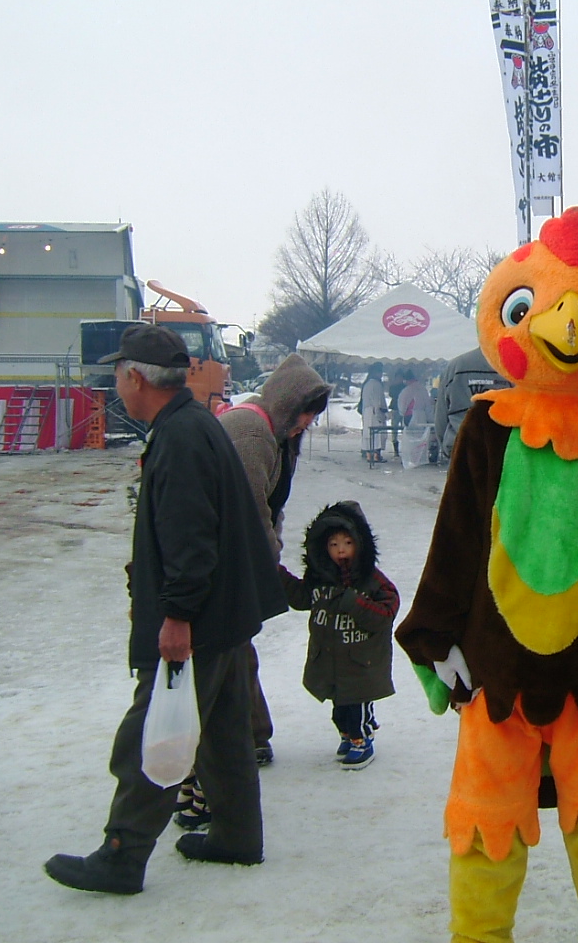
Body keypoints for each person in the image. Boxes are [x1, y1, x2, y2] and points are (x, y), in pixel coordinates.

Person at [44, 324, 287, 895]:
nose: (116, 384)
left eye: (117, 374)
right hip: (226, 616)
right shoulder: (195, 423)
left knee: (152, 730)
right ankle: (236, 835)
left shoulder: (179, 436)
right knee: (225, 731)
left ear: (134, 377)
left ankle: (122, 855)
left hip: (198, 620)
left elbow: (190, 538)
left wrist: (176, 617)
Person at [171, 354, 332, 830]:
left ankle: (246, 741)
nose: (309, 423)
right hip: (218, 569)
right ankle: (198, 773)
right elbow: (249, 510)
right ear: (289, 402)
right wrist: (268, 563)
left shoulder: (272, 433)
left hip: (227, 566)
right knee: (218, 665)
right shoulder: (249, 430)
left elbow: (267, 507)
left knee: (233, 657)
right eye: (307, 412)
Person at [281, 501, 399, 769]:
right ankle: (347, 735)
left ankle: (361, 739)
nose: (341, 550)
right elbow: (302, 598)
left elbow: (387, 610)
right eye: (334, 545)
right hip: (331, 658)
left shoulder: (371, 579)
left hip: (361, 661)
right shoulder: (321, 578)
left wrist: (353, 602)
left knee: (356, 706)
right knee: (339, 709)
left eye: (347, 542)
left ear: (360, 544)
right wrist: (279, 576)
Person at [433, 346, 510, 464]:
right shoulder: (515, 365)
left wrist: (449, 448)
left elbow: (441, 417)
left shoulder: (455, 367)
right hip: (504, 452)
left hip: (461, 450)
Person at [360, 362, 389, 463]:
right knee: (377, 435)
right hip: (374, 412)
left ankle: (369, 455)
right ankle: (376, 455)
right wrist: (381, 414)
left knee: (369, 434)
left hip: (367, 412)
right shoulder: (376, 384)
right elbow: (378, 401)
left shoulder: (366, 384)